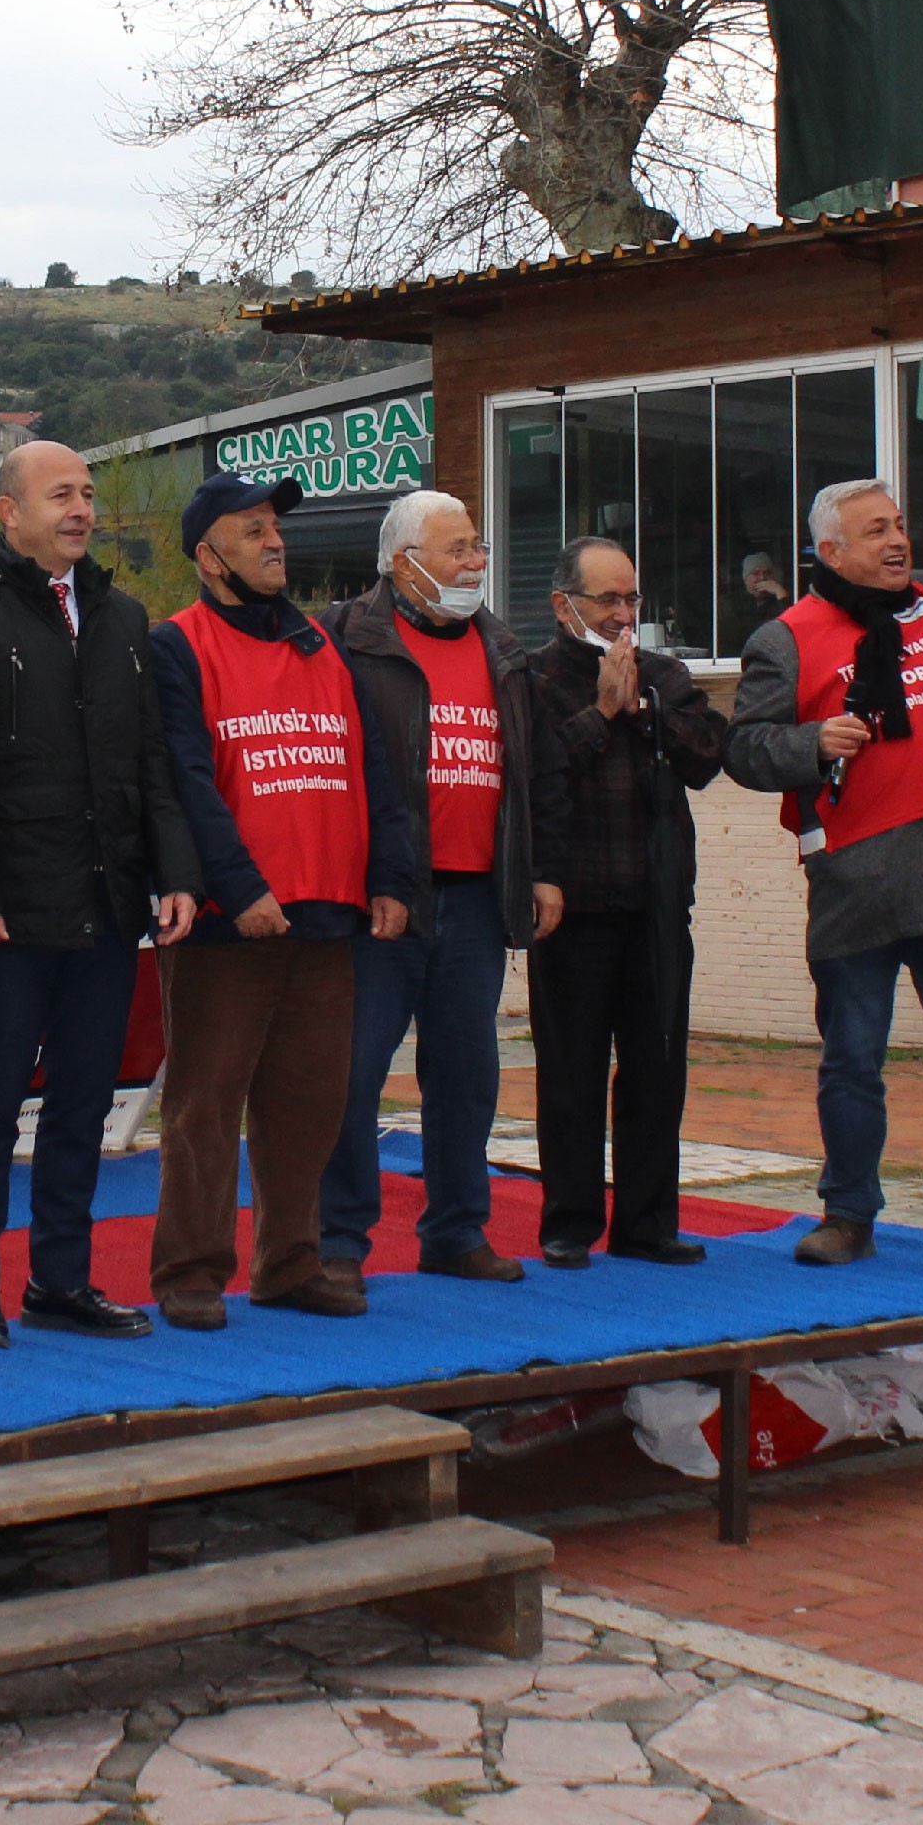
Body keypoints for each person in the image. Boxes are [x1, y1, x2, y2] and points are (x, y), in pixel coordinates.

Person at [725, 417, 923, 1280]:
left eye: (900, 526)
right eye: (878, 531)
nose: (899, 541)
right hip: (860, 882)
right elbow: (745, 750)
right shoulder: (784, 639)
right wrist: (808, 744)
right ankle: (848, 1215)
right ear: (831, 550)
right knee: (853, 1061)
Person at [0, 440, 200, 1348]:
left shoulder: (125, 616)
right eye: (61, 495)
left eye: (87, 493)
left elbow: (151, 761)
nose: (81, 508)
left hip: (108, 907)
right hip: (7, 913)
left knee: (83, 1103)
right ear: (10, 511)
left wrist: (174, 874)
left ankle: (61, 1280)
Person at [148, 472, 412, 1332]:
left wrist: (387, 878)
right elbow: (186, 781)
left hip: (328, 916)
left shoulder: (321, 643)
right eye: (251, 528)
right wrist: (240, 887)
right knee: (205, 1104)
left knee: (309, 1105)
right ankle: (190, 1270)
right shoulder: (177, 645)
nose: (273, 541)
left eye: (275, 527)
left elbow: (371, 766)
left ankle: (289, 1263)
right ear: (207, 555)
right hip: (232, 926)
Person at [317, 490, 566, 1289]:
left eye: (478, 547)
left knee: (465, 1075)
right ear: (403, 564)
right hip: (380, 902)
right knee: (351, 1077)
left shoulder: (504, 650)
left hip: (477, 898)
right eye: (457, 549)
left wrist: (542, 870)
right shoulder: (342, 641)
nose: (475, 563)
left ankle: (457, 1231)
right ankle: (338, 1243)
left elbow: (539, 773)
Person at [526, 538, 729, 1267]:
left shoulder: (665, 675)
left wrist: (640, 710)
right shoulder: (534, 677)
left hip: (656, 909)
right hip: (571, 910)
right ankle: (569, 1224)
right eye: (606, 600)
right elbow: (536, 775)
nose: (621, 616)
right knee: (571, 1074)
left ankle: (647, 1224)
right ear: (563, 605)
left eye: (630, 600)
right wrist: (602, 714)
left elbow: (709, 754)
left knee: (656, 1071)